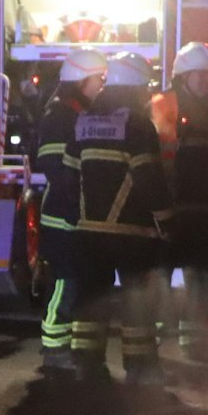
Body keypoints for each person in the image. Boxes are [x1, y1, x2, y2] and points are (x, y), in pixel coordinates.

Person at [67, 52, 172, 386]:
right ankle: (140, 368)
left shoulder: (83, 121)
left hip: (88, 232)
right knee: (136, 302)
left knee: (90, 298)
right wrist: (167, 222)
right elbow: (149, 179)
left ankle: (86, 363)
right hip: (132, 232)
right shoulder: (139, 125)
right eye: (145, 88)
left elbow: (69, 173)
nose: (147, 95)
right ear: (135, 87)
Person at [151, 42, 208, 362]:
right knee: (160, 274)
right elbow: (154, 156)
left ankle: (195, 341)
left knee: (204, 277)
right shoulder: (161, 105)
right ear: (183, 76)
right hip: (172, 205)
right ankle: (151, 339)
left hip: (206, 206)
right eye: (201, 76)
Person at [34, 49, 109, 378]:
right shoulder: (60, 116)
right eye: (99, 80)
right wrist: (79, 193)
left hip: (74, 216)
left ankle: (70, 349)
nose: (102, 87)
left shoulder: (76, 112)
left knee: (76, 284)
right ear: (82, 81)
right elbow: (54, 165)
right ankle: (54, 350)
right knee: (65, 285)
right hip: (62, 217)